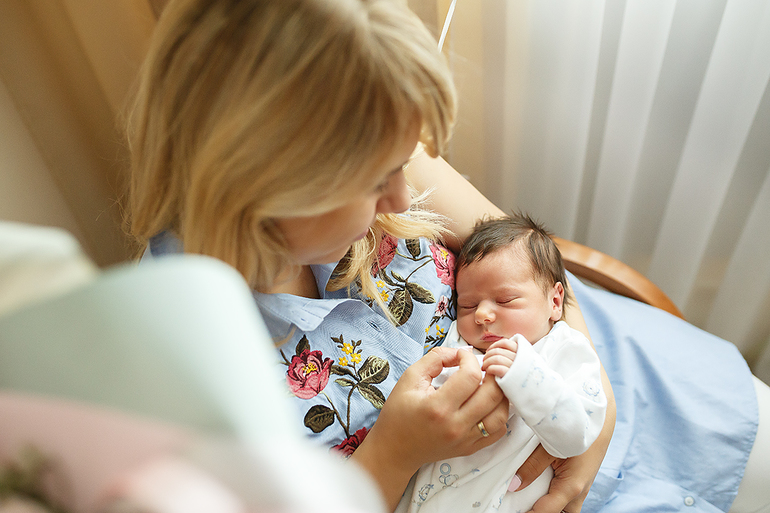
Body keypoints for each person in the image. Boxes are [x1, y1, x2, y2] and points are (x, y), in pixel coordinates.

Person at [125, 1, 769, 512]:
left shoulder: (369, 128)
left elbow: (528, 258)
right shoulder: (182, 371)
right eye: (377, 181)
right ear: (269, 186)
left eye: (404, 163)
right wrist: (391, 456)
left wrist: (593, 401)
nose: (405, 197)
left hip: (636, 384)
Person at [409, 214, 607, 512]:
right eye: (468, 305)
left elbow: (576, 436)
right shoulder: (457, 344)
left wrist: (527, 377)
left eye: (504, 301)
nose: (482, 315)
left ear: (554, 302)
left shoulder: (566, 351)